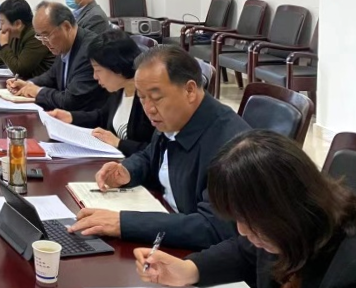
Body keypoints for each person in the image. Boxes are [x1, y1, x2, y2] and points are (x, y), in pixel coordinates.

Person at [135, 131, 356, 288]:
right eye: (238, 219)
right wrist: (189, 270)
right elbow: (244, 252)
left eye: (249, 221)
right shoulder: (283, 226)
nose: (242, 230)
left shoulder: (348, 257)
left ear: (288, 204)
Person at [67, 45, 250, 250]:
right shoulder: (175, 118)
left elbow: (213, 228)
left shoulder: (231, 146)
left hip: (200, 252)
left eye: (156, 98)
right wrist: (127, 171)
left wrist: (123, 224)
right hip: (166, 219)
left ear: (190, 90)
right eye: (142, 98)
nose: (148, 109)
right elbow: (150, 155)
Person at [46, 30, 153, 157]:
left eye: (97, 70)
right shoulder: (119, 89)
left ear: (116, 67)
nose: (95, 76)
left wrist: (119, 143)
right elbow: (102, 116)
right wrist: (71, 117)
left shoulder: (148, 99)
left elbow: (156, 149)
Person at [6, 1, 109, 111]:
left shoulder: (90, 50)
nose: (43, 42)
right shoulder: (64, 45)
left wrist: (38, 91)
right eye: (39, 36)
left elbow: (71, 100)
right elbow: (51, 76)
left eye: (46, 36)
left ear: (66, 27)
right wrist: (28, 84)